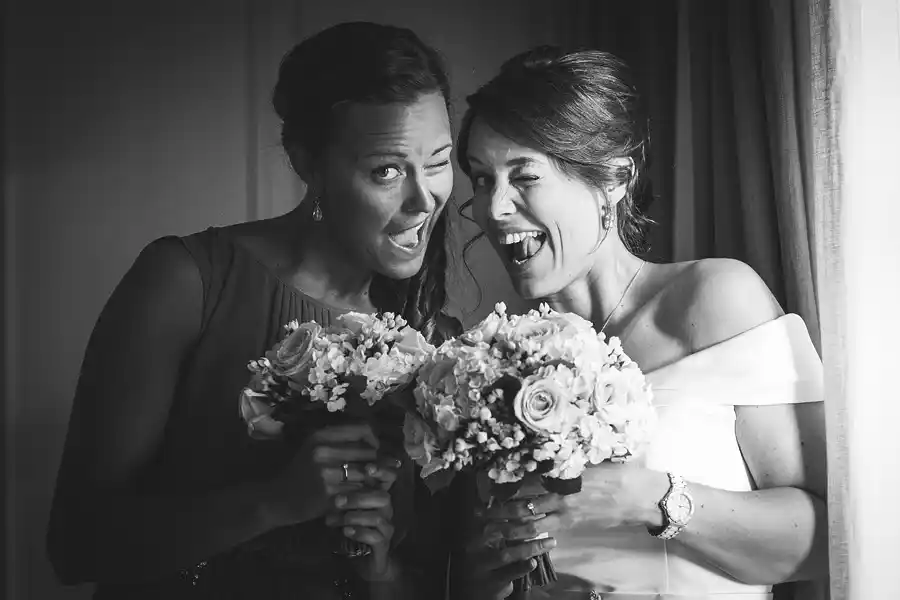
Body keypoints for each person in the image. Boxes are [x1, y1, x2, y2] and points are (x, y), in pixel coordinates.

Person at [46, 21, 462, 600]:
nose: (424, 200)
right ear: (307, 162)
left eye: (438, 162)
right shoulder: (188, 283)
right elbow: (76, 545)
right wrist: (274, 503)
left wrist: (382, 572)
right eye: (386, 171)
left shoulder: (437, 340)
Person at [451, 46, 828, 600]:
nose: (495, 208)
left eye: (524, 176)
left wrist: (654, 500)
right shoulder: (497, 362)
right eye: (482, 180)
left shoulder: (713, 301)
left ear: (614, 177)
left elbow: (826, 538)